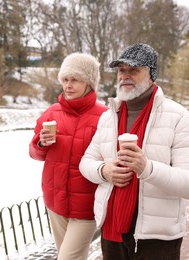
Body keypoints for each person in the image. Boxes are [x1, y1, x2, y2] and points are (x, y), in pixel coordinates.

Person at [79, 43, 189, 259]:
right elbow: (86, 162)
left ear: (152, 75)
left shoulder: (178, 117)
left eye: (134, 70)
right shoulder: (108, 116)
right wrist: (104, 171)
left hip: (157, 238)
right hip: (112, 231)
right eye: (122, 70)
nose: (125, 76)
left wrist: (147, 168)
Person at [29, 52, 109, 260]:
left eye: (75, 79)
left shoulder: (105, 116)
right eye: (65, 79)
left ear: (89, 82)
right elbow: (34, 153)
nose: (68, 85)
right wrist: (40, 143)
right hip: (55, 201)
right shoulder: (51, 113)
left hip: (86, 205)